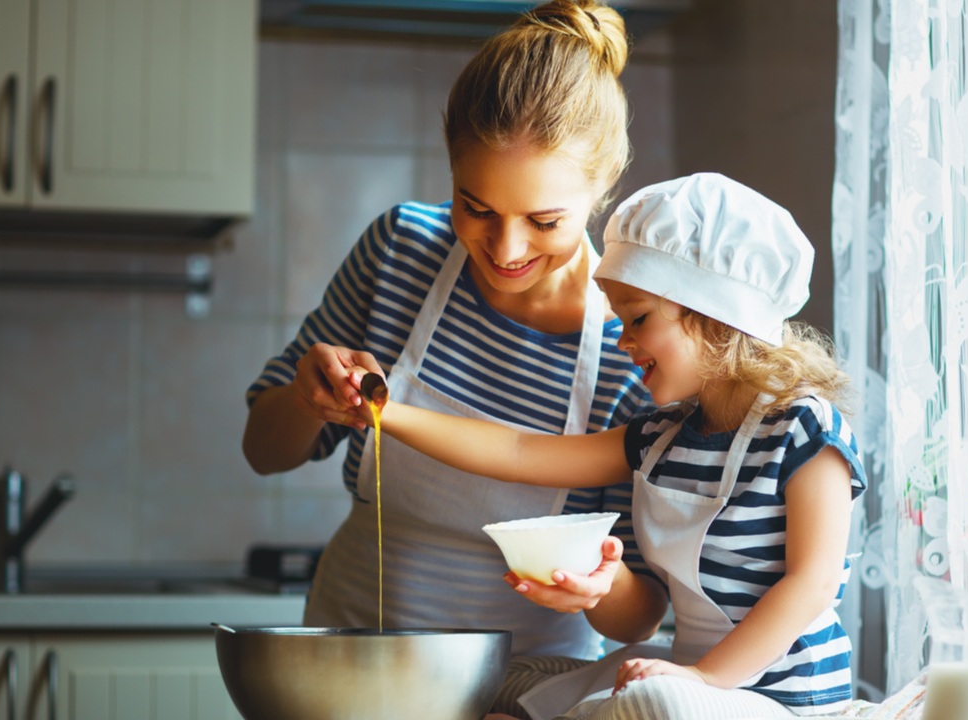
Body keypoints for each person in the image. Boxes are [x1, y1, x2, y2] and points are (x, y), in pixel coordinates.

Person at [241, 3, 664, 717]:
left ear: (604, 185)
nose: (504, 250)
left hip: (524, 691)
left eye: (545, 221)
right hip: (349, 663)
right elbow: (263, 449)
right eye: (476, 207)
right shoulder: (400, 252)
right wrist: (303, 401)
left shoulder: (633, 343)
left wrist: (602, 588)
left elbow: (641, 611)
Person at [358, 173, 868, 720]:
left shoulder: (804, 430)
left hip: (783, 703)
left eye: (639, 319)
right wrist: (382, 411)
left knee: (653, 700)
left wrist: (704, 678)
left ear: (717, 317)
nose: (623, 341)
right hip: (690, 681)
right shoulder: (663, 435)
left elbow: (812, 584)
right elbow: (517, 453)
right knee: (508, 678)